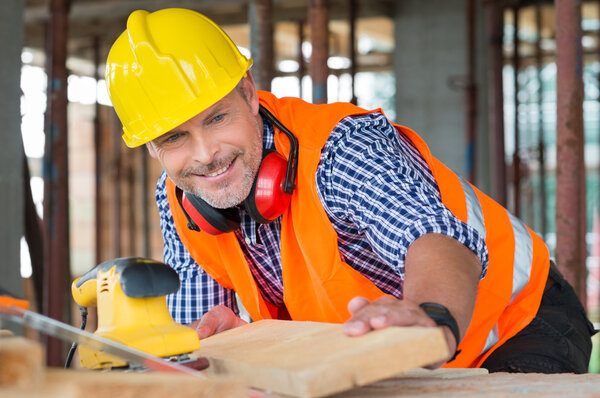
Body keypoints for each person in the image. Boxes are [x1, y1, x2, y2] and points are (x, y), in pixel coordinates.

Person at [105, 8, 595, 372]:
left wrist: (430, 319)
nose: (206, 153)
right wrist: (224, 351)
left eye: (217, 118)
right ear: (151, 149)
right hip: (374, 354)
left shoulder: (341, 149)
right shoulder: (180, 203)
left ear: (250, 94)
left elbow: (436, 239)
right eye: (174, 138)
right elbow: (199, 343)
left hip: (518, 325)